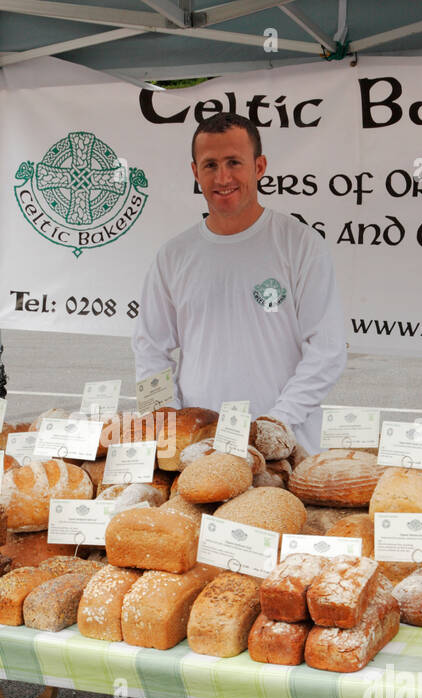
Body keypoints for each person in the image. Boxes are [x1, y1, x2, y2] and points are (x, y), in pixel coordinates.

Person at [132, 113, 346, 454]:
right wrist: (166, 419)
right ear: (195, 172)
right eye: (210, 165)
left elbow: (328, 351)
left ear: (259, 167)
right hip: (199, 450)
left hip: (288, 446)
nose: (223, 177)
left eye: (234, 162)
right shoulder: (173, 255)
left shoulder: (300, 244)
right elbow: (149, 349)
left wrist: (274, 424)